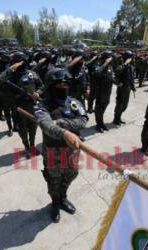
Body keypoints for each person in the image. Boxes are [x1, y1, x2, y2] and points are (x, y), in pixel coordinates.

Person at [34, 68, 88, 223]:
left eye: (66, 84)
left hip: (72, 151)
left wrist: (63, 123)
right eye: (59, 84)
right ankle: (55, 203)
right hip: (53, 152)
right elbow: (46, 125)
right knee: (53, 181)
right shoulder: (42, 105)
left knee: (70, 175)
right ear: (51, 85)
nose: (63, 87)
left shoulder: (74, 102)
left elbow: (83, 120)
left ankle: (63, 198)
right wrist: (65, 133)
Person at [94, 51, 116, 133]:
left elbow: (110, 77)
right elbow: (97, 73)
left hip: (108, 91)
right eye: (109, 57)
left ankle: (101, 122)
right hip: (101, 91)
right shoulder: (100, 66)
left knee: (104, 106)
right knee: (99, 108)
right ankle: (98, 125)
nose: (111, 59)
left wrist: (117, 83)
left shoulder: (110, 67)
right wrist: (105, 63)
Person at [113, 50, 136, 126]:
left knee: (125, 105)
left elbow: (131, 77)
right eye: (130, 57)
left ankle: (119, 117)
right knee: (119, 104)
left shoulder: (131, 66)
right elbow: (116, 72)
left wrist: (133, 87)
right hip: (122, 87)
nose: (131, 59)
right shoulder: (121, 65)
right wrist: (125, 63)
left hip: (128, 87)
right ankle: (116, 119)